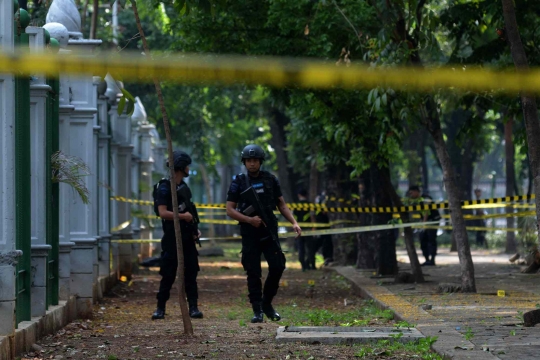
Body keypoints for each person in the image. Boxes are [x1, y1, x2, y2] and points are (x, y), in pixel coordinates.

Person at [226, 144, 301, 323]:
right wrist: (248, 220)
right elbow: (230, 209)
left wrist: (294, 222)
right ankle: (257, 310)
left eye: (255, 160)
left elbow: (281, 204)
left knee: (277, 266)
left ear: (260, 162)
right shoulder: (238, 181)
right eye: (249, 161)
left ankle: (267, 303)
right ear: (244, 162)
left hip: (269, 230)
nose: (252, 164)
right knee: (253, 271)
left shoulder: (270, 180)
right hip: (250, 232)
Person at [151, 150, 203, 320]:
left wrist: (195, 229)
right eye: (187, 166)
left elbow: (190, 211)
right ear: (181, 166)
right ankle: (160, 307)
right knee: (168, 273)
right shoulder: (165, 187)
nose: (189, 169)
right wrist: (183, 217)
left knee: (191, 273)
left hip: (188, 238)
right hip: (172, 238)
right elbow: (163, 213)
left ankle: (193, 307)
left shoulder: (184, 188)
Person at [408, 185, 440, 266]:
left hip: (432, 221)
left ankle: (432, 260)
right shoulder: (418, 200)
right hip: (425, 222)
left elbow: (426, 211)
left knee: (431, 239)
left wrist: (424, 224)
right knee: (423, 240)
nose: (411, 195)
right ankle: (427, 260)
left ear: (416, 191)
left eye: (411, 193)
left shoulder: (425, 198)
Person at [294, 188, 311, 271]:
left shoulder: (296, 205)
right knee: (310, 248)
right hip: (309, 229)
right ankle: (309, 264)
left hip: (298, 229)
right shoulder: (310, 204)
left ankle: (303, 265)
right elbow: (313, 216)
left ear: (299, 195)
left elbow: (293, 218)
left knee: (301, 248)